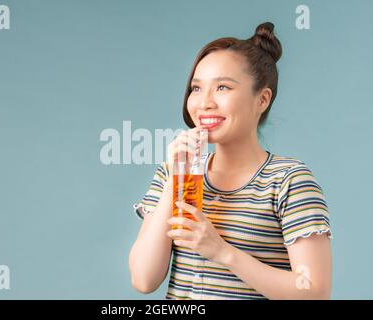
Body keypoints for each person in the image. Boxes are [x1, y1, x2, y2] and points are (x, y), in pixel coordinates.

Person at [129, 22, 333, 300]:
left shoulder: (288, 180)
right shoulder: (173, 173)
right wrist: (175, 177)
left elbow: (314, 292)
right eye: (196, 89)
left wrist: (222, 252)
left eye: (223, 87)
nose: (204, 103)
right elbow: (143, 279)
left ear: (262, 99)